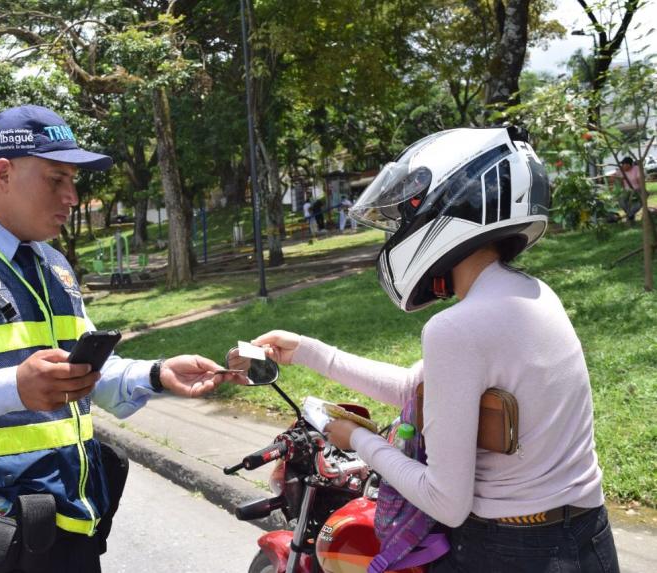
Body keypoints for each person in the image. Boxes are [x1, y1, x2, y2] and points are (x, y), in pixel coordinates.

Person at [0, 105, 240, 572]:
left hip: (69, 530)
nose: (73, 197)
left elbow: (79, 374)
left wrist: (157, 374)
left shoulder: (51, 265)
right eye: (56, 180)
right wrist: (11, 389)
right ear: (3, 173)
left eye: (73, 181)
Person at [250, 127, 619, 573]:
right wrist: (307, 351)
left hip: (506, 552)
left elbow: (446, 502)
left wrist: (358, 440)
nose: (399, 232)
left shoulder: (456, 327)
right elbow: (420, 388)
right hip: (589, 538)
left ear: (447, 207)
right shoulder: (533, 294)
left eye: (406, 216)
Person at [608, 156, 643, 223]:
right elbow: (612, 178)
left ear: (629, 165)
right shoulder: (621, 170)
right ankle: (630, 215)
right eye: (622, 164)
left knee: (640, 202)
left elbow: (640, 181)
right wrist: (613, 179)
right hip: (626, 191)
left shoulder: (637, 169)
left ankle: (629, 215)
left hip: (637, 190)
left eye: (624, 164)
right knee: (621, 200)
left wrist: (641, 191)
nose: (623, 166)